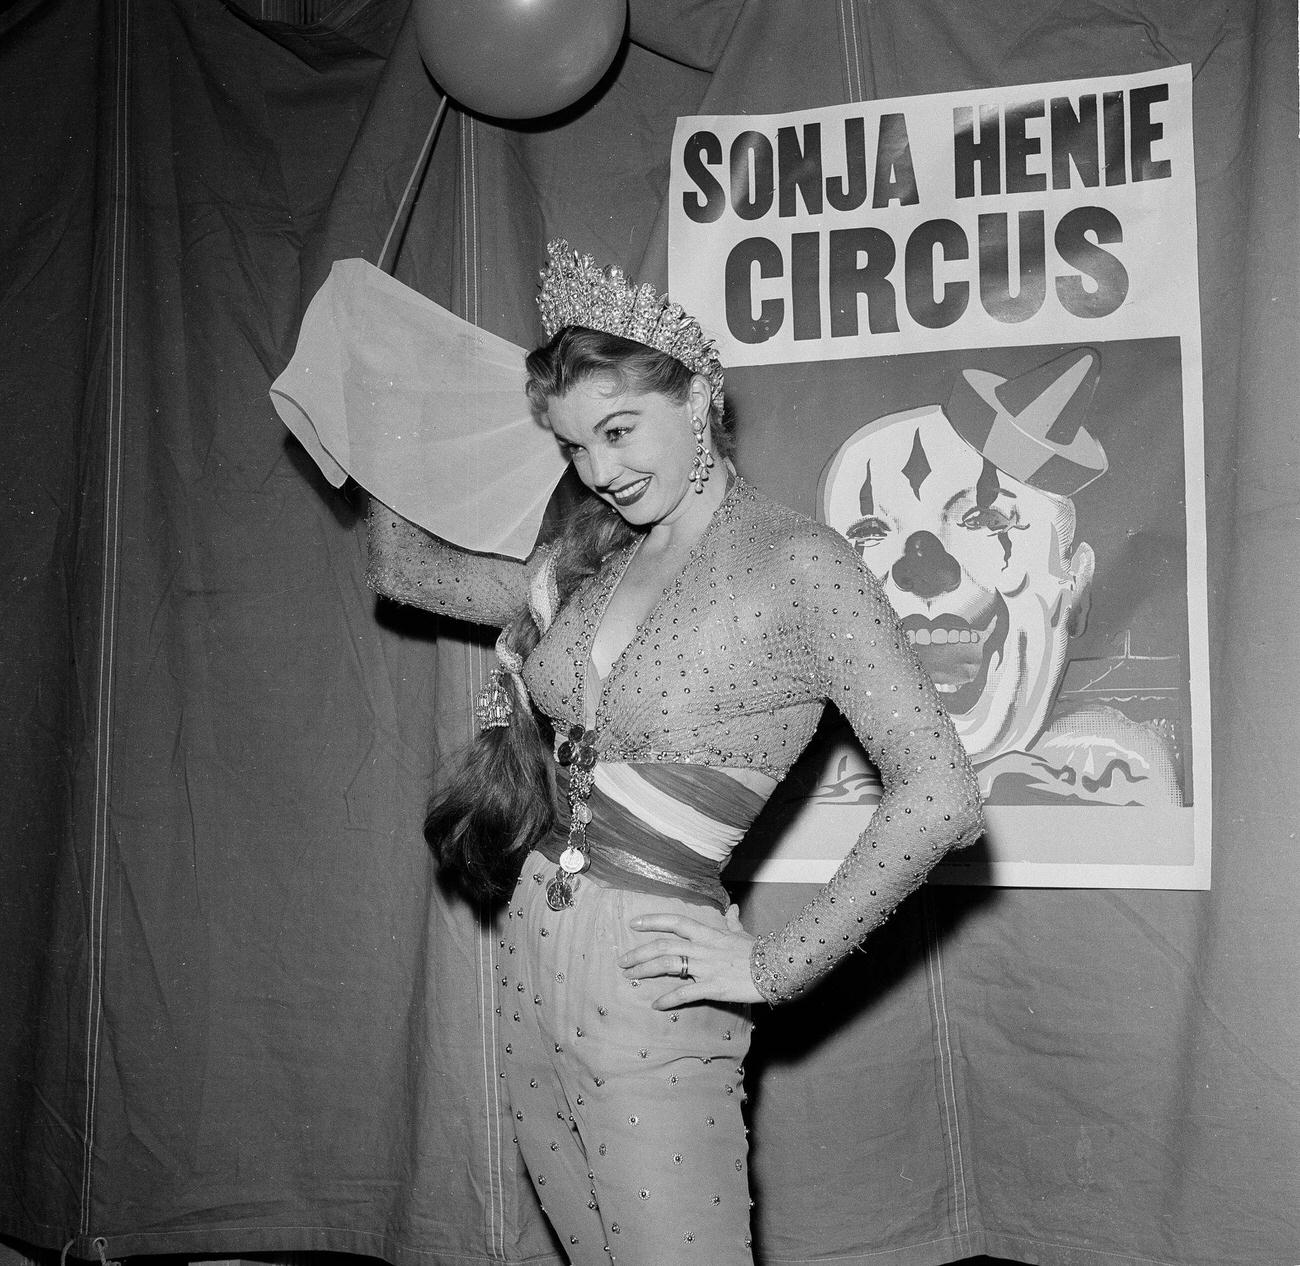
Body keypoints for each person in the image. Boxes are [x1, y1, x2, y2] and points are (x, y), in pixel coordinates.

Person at [363, 241, 983, 1265]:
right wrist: (376, 403)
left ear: (697, 395)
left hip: (655, 984)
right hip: (527, 957)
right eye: (573, 449)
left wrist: (777, 965)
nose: (600, 473)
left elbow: (942, 792)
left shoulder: (797, 564)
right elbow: (405, 573)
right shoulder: (588, 565)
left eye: (616, 430)